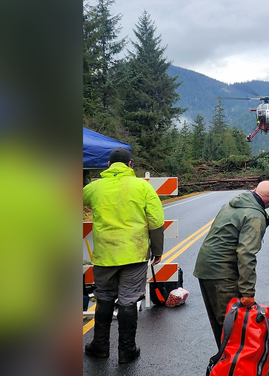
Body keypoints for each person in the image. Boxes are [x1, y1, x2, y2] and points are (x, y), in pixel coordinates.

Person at [82, 147, 165, 364]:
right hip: (134, 254)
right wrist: (157, 250)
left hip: (105, 254)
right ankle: (126, 350)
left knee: (104, 297)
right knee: (128, 299)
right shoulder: (142, 187)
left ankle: (99, 346)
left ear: (108, 165)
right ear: (130, 165)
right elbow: (156, 221)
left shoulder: (94, 187)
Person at [193, 180, 269, 347]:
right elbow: (246, 253)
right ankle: (234, 368)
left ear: (254, 190)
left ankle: (224, 365)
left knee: (221, 327)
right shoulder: (255, 216)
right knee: (232, 328)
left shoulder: (230, 205)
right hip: (222, 272)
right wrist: (247, 292)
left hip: (205, 268)